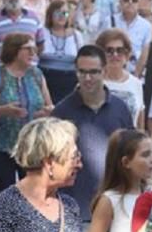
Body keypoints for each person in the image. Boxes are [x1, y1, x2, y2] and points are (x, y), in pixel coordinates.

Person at [52, 44, 134, 221]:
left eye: (94, 72)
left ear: (104, 71)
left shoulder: (121, 109)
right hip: (72, 210)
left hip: (114, 209)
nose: (87, 78)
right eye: (82, 72)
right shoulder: (61, 112)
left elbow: (130, 153)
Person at [0, 32, 54, 196]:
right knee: (5, 193)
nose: (33, 53)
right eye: (28, 49)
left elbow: (49, 106)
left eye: (34, 48)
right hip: (1, 145)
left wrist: (44, 112)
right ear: (14, 50)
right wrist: (4, 110)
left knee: (33, 194)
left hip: (32, 146)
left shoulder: (36, 74)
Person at [96, 28, 144, 128]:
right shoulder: (91, 82)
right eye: (109, 50)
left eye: (120, 50)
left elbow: (140, 123)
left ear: (127, 55)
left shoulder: (136, 84)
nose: (115, 55)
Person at [37, 0, 81, 104]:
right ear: (50, 15)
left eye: (65, 13)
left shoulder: (76, 35)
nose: (61, 16)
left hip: (69, 81)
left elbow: (81, 59)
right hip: (45, 80)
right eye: (57, 13)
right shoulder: (42, 32)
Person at [116, 0, 151, 70]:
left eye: (134, 0)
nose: (130, 2)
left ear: (139, 4)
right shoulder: (109, 21)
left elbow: (146, 53)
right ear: (121, 2)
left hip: (134, 71)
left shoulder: (146, 26)